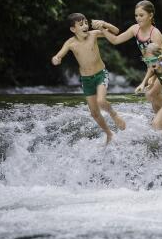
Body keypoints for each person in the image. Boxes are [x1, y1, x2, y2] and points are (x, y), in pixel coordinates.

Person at [51, 13, 126, 145]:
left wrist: (104, 24)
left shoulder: (94, 34)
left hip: (100, 74)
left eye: (86, 23)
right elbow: (58, 56)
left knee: (101, 101)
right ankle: (109, 134)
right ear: (73, 29)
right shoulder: (70, 43)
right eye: (81, 25)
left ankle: (114, 115)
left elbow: (116, 31)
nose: (85, 26)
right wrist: (56, 59)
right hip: (86, 79)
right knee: (94, 113)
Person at [101, 0, 162, 113]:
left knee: (151, 95)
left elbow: (160, 60)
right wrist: (102, 28)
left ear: (150, 15)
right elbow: (115, 40)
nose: (138, 18)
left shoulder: (155, 34)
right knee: (155, 104)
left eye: (141, 15)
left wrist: (152, 78)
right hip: (152, 68)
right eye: (136, 15)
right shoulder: (134, 29)